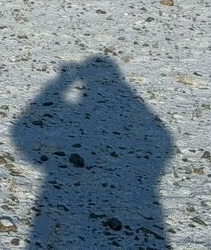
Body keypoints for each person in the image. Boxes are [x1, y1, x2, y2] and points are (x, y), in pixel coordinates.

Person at [11, 55, 173, 249]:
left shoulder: (130, 110)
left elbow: (22, 132)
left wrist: (60, 84)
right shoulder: (135, 109)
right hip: (136, 197)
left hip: (80, 196)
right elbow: (162, 142)